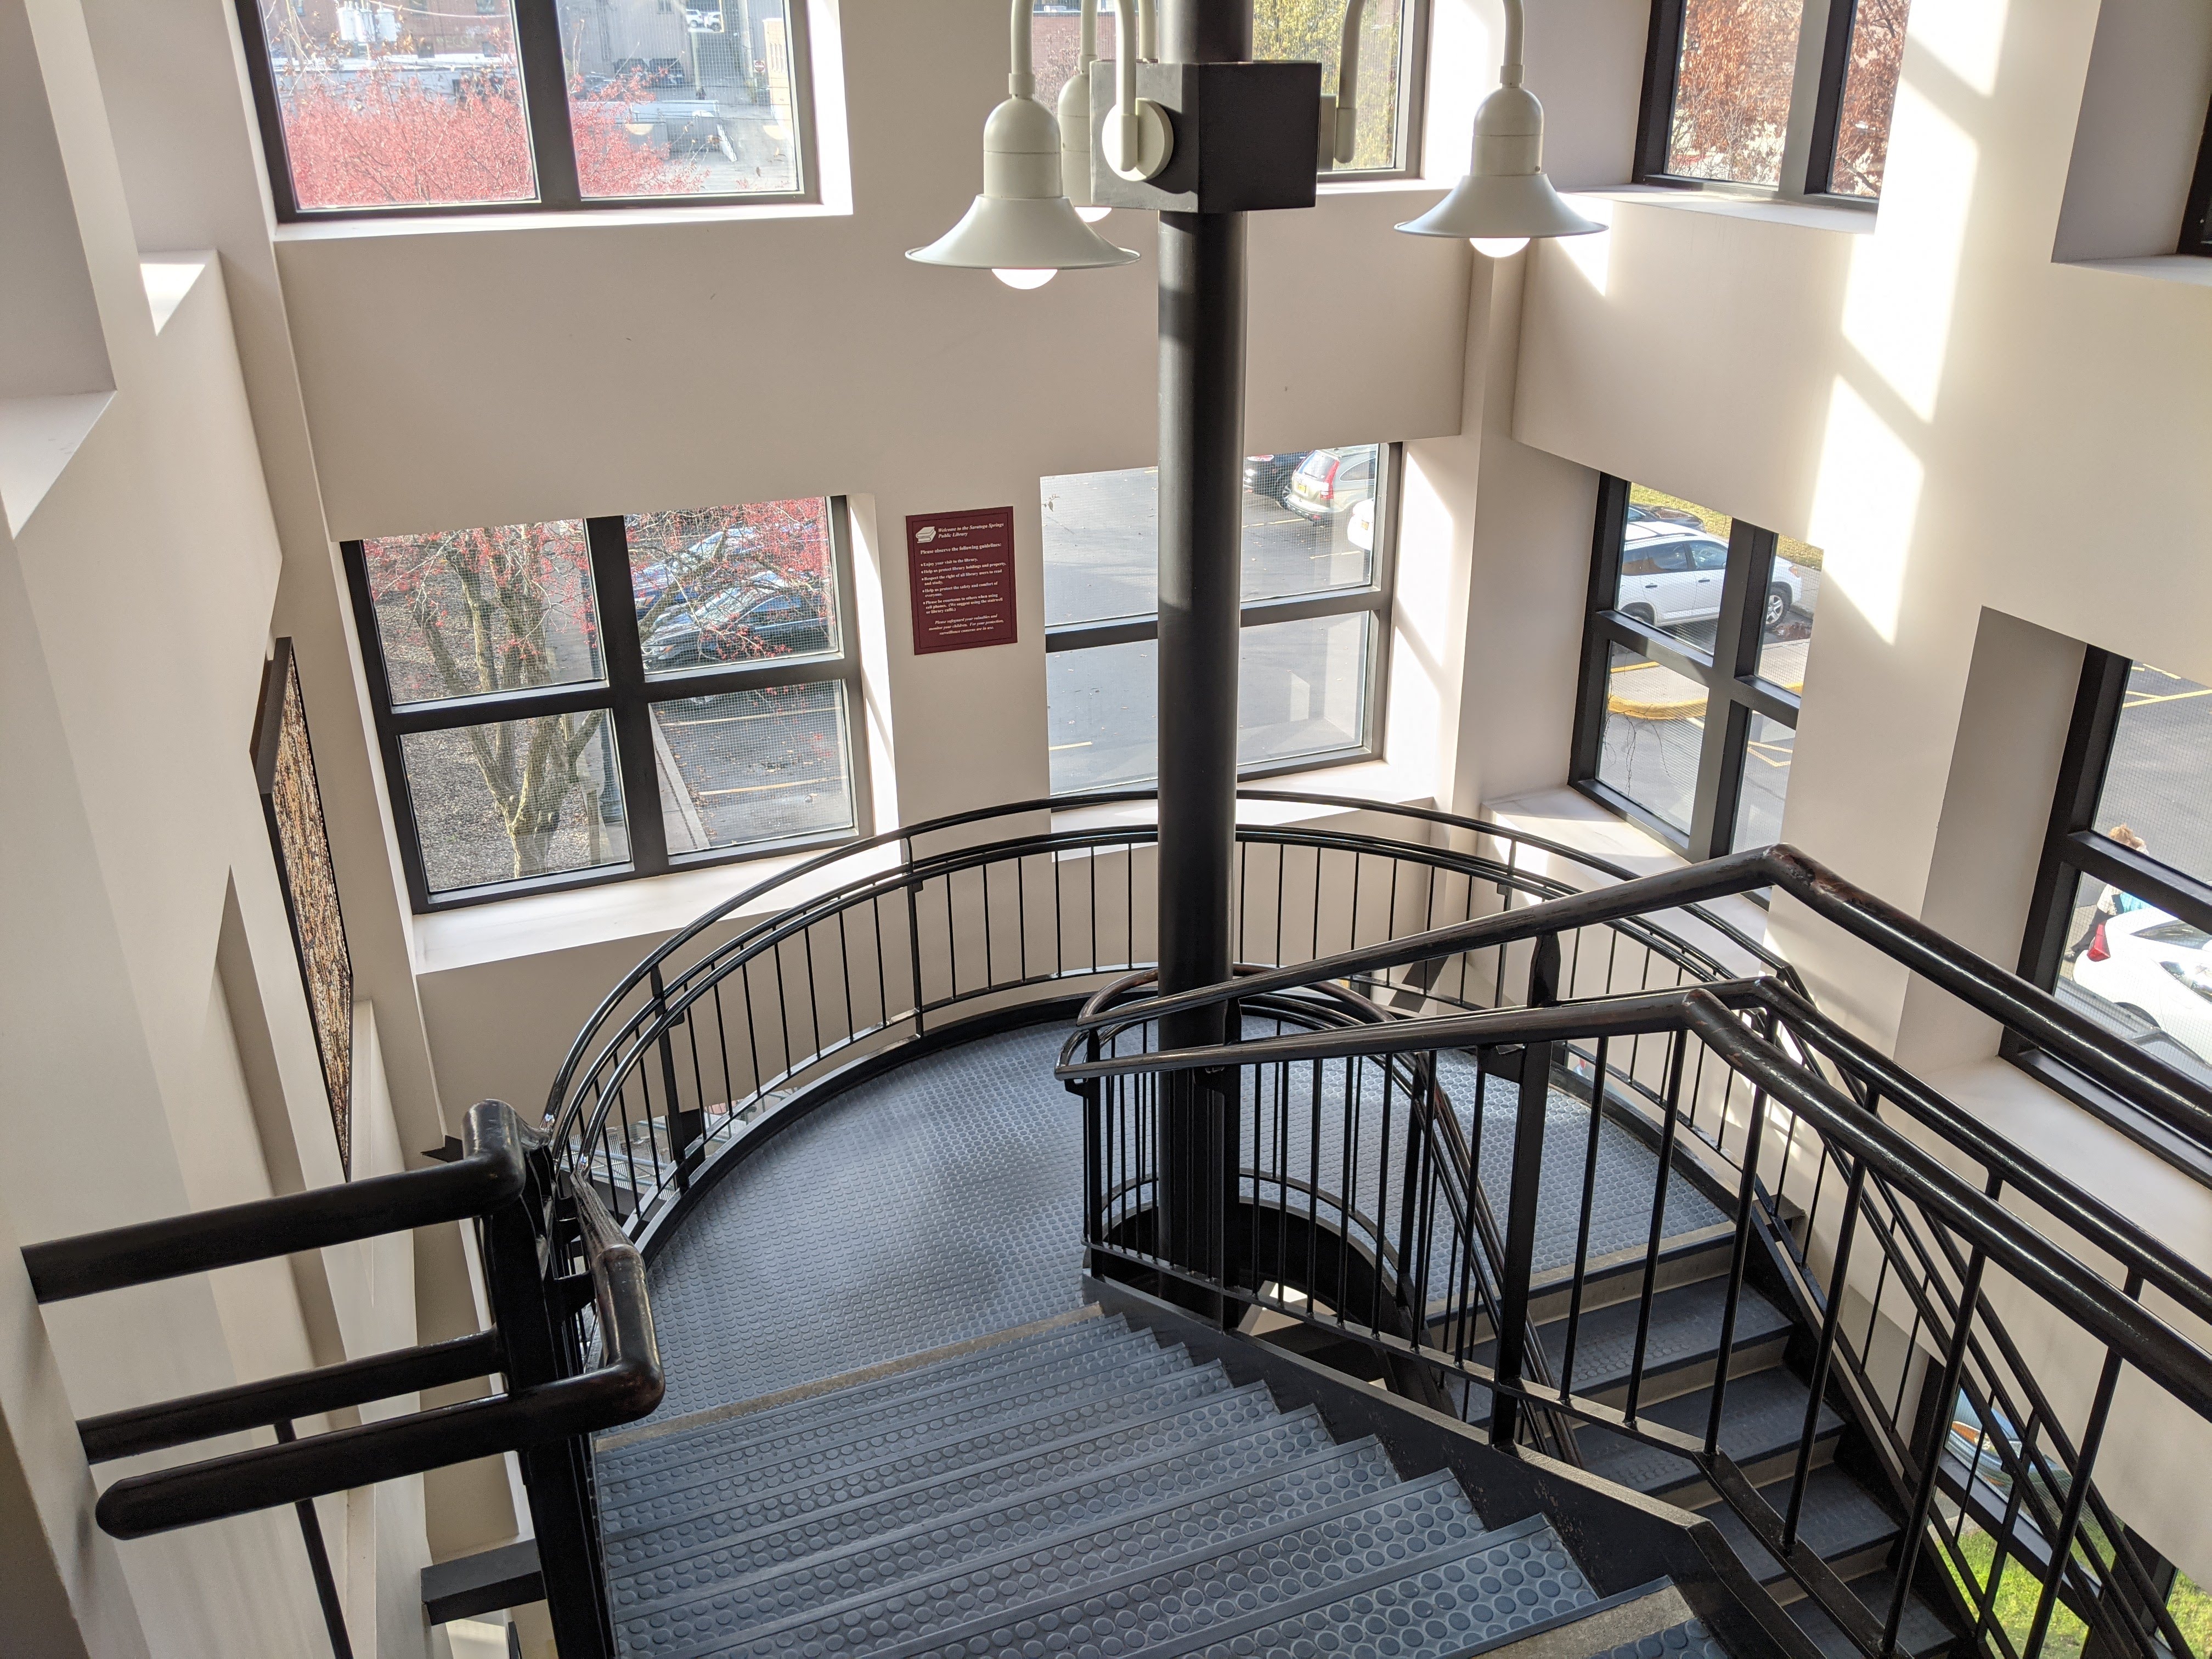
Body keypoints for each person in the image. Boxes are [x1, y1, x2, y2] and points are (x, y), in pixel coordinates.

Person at [2064, 823, 2151, 962]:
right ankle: (2080, 952)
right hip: (2111, 900)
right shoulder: (2132, 854)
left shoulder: (2137, 859)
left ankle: (2083, 954)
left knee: (2104, 930)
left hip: (2119, 901)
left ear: (2128, 843)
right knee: (2097, 928)